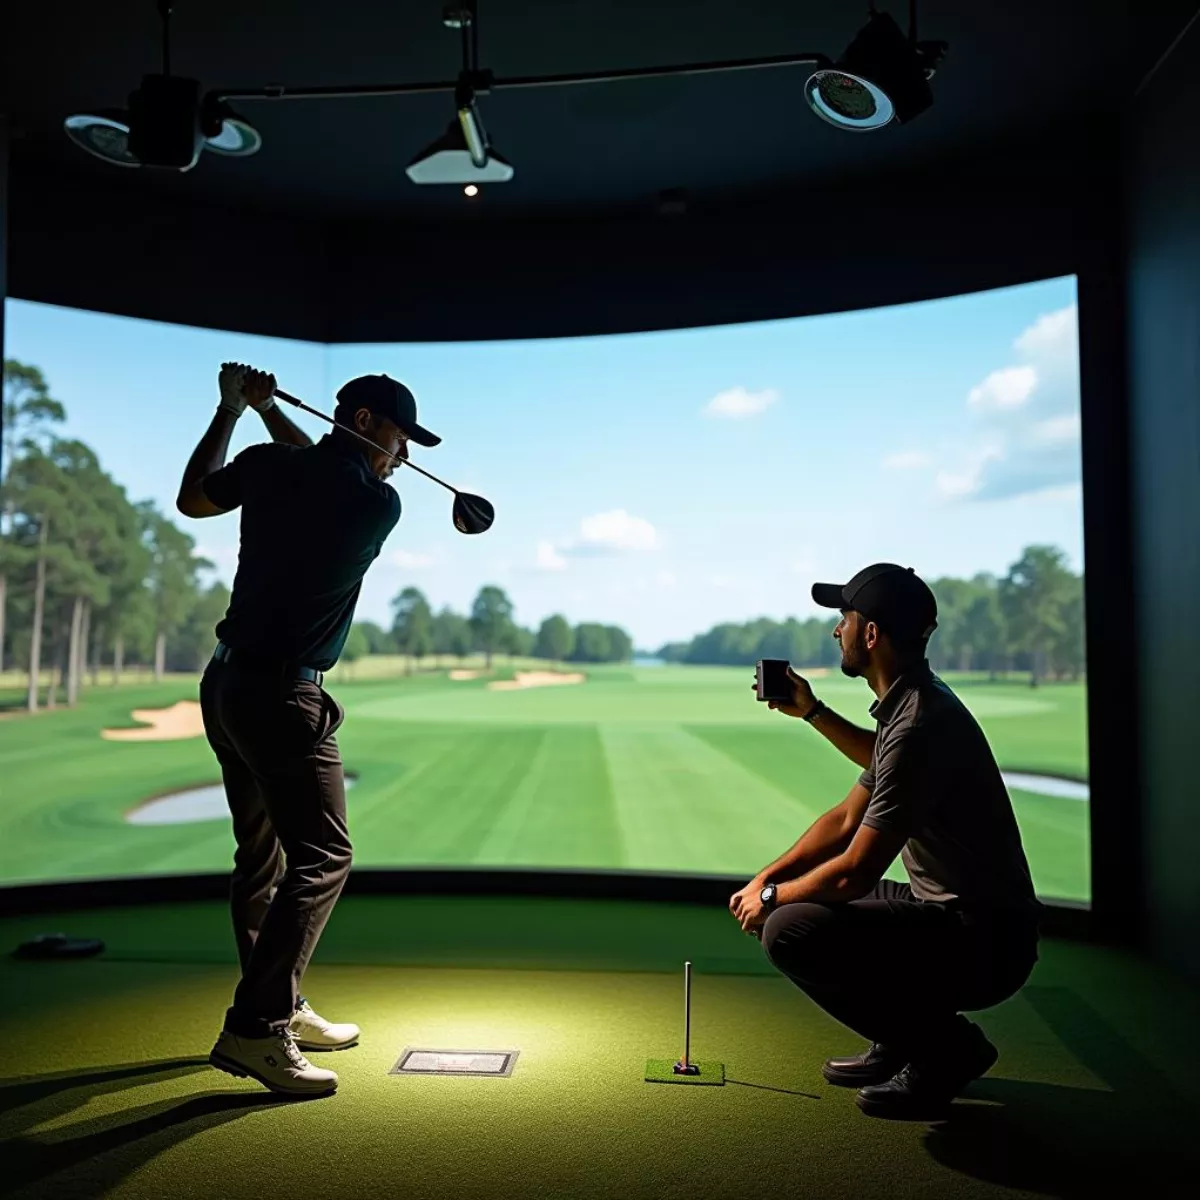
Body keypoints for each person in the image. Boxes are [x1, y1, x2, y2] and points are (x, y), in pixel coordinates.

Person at [176, 363, 441, 1097]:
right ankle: (256, 1029)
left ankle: (280, 1005)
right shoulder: (377, 505)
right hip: (285, 697)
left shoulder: (269, 467)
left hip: (226, 685)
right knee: (324, 856)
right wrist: (263, 412)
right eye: (399, 437)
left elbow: (194, 498)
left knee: (259, 858)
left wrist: (233, 410)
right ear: (364, 423)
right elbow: (322, 468)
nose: (404, 456)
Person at [729, 563, 1042, 1121]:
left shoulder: (918, 722)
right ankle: (902, 1042)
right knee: (805, 907)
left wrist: (774, 900)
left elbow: (853, 872)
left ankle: (945, 1049)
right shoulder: (910, 705)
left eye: (844, 619)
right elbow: (845, 818)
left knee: (790, 929)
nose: (836, 631)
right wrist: (767, 877)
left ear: (870, 633)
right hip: (958, 914)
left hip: (985, 941)